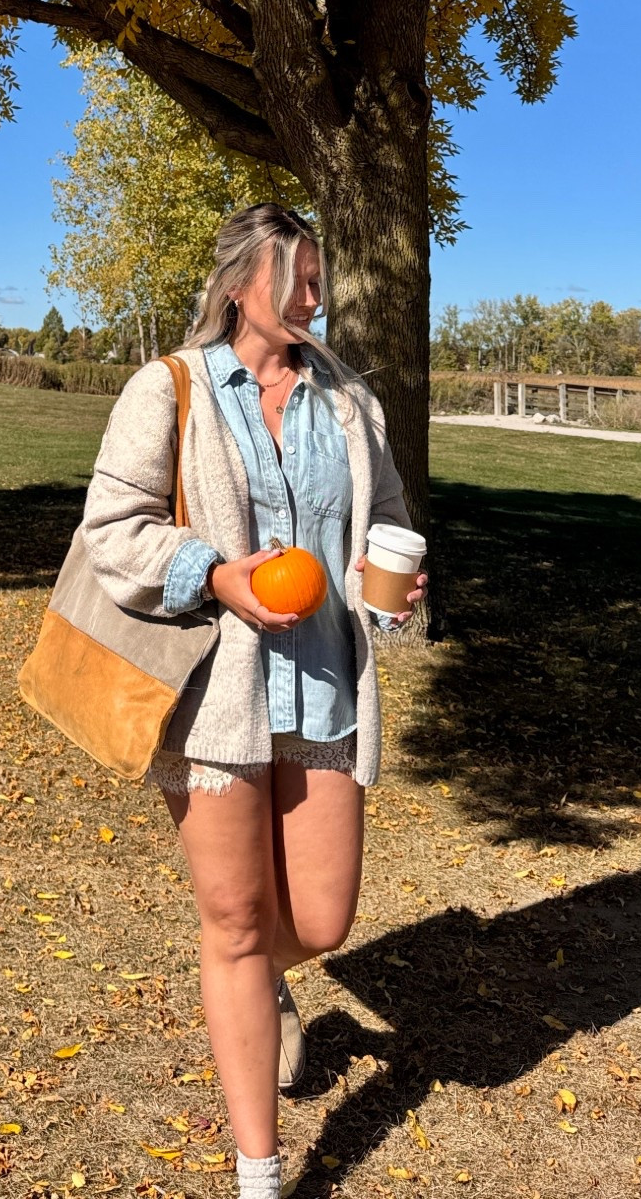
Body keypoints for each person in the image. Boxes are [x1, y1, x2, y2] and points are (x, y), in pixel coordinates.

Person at [80, 203, 427, 1199]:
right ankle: (260, 1169)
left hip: (323, 687)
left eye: (321, 280)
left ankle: (267, 972)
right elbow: (114, 525)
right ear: (242, 286)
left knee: (318, 920)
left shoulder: (352, 400)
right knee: (231, 919)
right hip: (216, 697)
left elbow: (391, 521)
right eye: (298, 282)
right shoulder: (172, 387)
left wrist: (391, 588)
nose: (317, 299)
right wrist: (216, 574)